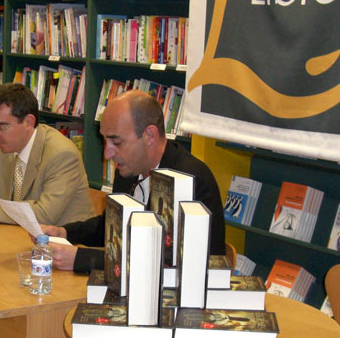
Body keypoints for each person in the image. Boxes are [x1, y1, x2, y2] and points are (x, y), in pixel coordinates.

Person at [40, 90, 226, 272]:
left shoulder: (190, 181)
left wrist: (82, 259)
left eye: (117, 142)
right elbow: (112, 226)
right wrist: (65, 233)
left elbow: (170, 264)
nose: (107, 154)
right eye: (105, 141)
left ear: (150, 136)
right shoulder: (128, 170)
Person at [0, 83, 95, 226]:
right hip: (18, 235)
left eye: (1, 127)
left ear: (28, 122)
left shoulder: (62, 155)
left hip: (63, 242)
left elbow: (43, 215)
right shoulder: (7, 146)